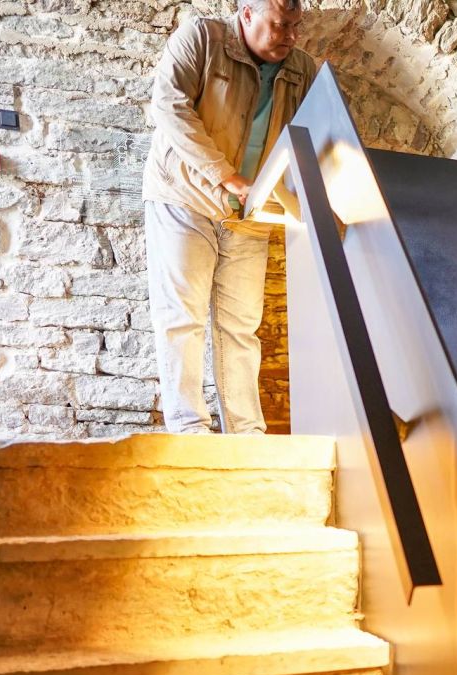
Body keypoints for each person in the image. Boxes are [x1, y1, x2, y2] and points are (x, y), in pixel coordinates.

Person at [142, 0, 317, 434]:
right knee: (182, 318)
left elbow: (314, 135)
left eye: (295, 26)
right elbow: (168, 108)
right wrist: (226, 176)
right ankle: (190, 429)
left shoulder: (301, 68)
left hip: (252, 213)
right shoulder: (202, 38)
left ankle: (246, 432)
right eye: (280, 25)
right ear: (247, 14)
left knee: (241, 326)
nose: (291, 36)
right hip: (185, 199)